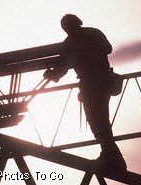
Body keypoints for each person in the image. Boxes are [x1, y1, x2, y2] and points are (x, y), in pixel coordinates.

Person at [43, 14, 127, 174]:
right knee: (97, 122)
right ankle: (111, 157)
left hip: (98, 82)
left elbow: (107, 48)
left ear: (76, 25)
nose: (68, 31)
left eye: (69, 27)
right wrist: (52, 74)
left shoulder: (89, 35)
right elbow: (63, 67)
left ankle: (113, 158)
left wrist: (84, 49)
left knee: (99, 121)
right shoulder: (73, 42)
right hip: (91, 84)